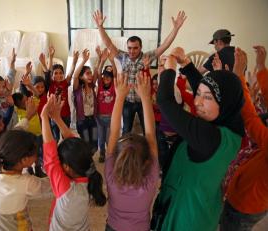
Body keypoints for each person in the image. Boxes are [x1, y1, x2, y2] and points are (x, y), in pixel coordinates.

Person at [150, 47, 244, 231]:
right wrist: (186, 64)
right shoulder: (231, 124)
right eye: (197, 94)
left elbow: (164, 101)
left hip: (188, 216)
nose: (197, 101)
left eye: (206, 97)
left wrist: (169, 69)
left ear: (224, 102)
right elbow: (207, 89)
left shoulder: (210, 137)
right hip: (203, 202)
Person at [93, 10, 186, 134]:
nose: (132, 51)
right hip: (127, 101)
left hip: (143, 101)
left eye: (135, 48)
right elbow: (108, 44)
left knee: (147, 128)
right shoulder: (123, 56)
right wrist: (100, 27)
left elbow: (164, 45)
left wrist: (175, 29)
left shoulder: (147, 57)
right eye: (129, 48)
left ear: (140, 47)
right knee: (126, 130)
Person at [41, 94, 106, 231]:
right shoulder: (89, 173)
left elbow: (50, 157)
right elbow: (77, 146)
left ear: (66, 167)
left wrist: (44, 117)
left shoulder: (66, 189)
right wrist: (56, 118)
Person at [220, 47, 268, 231]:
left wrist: (238, 77)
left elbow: (250, 118)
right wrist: (261, 67)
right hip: (244, 193)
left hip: (245, 204)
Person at [104, 72, 159, 231]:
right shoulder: (149, 182)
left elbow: (114, 132)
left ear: (116, 158)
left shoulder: (111, 176)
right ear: (147, 161)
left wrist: (119, 96)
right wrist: (145, 97)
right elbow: (150, 135)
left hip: (113, 227)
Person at [0, 130, 50, 231]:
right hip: (14, 224)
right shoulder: (26, 183)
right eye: (36, 154)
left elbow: (10, 140)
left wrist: (27, 118)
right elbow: (49, 185)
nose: (37, 156)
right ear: (24, 160)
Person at [41, 47, 79, 141]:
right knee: (55, 138)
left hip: (66, 115)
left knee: (66, 137)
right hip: (54, 114)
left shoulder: (65, 83)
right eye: (56, 73)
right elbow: (48, 72)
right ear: (52, 75)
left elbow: (71, 72)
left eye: (61, 73)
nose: (58, 75)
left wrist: (74, 61)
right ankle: (56, 153)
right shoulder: (50, 84)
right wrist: (51, 56)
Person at [73, 49, 99, 153]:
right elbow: (75, 76)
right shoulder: (77, 89)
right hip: (82, 121)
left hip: (92, 119)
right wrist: (84, 61)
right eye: (88, 73)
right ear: (81, 77)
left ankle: (89, 158)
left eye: (90, 73)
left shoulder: (92, 86)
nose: (91, 75)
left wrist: (100, 58)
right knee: (86, 143)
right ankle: (87, 162)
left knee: (94, 144)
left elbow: (97, 72)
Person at [95, 47, 116, 162]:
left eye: (109, 76)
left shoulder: (114, 87)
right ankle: (102, 153)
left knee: (109, 138)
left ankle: (110, 154)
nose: (106, 78)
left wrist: (112, 60)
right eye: (105, 76)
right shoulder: (100, 86)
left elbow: (116, 75)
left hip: (110, 117)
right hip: (99, 117)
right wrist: (102, 60)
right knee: (101, 138)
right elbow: (98, 73)